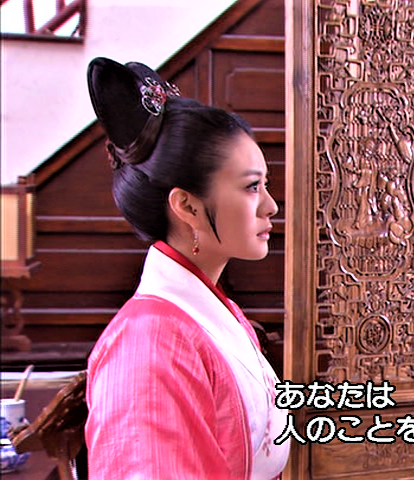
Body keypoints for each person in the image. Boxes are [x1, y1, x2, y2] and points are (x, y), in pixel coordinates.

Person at [84, 57, 290, 479]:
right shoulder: (150, 343)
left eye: (265, 185)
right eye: (252, 187)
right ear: (187, 206)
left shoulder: (214, 312)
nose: (271, 205)